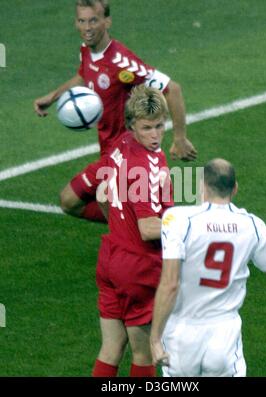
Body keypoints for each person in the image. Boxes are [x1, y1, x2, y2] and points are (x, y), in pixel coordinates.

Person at [33, 0, 196, 223]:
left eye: (93, 20)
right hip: (108, 150)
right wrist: (52, 97)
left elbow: (172, 89)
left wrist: (180, 138)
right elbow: (83, 74)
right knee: (76, 203)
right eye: (82, 21)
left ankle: (159, 234)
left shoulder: (122, 61)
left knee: (74, 200)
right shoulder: (86, 50)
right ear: (76, 23)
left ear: (107, 22)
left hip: (128, 152)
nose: (87, 27)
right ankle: (136, 230)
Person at [150, 158, 266, 377]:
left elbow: (170, 283)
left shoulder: (178, 219)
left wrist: (155, 338)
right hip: (223, 336)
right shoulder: (252, 226)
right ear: (235, 188)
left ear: (202, 186)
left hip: (180, 335)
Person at [92, 85, 173, 377]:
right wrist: (189, 224)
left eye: (159, 126)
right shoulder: (149, 165)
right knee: (144, 353)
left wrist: (118, 229)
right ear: (132, 125)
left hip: (110, 257)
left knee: (111, 349)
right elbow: (149, 228)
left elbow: (102, 194)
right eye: (147, 128)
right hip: (139, 268)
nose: (154, 135)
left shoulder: (119, 144)